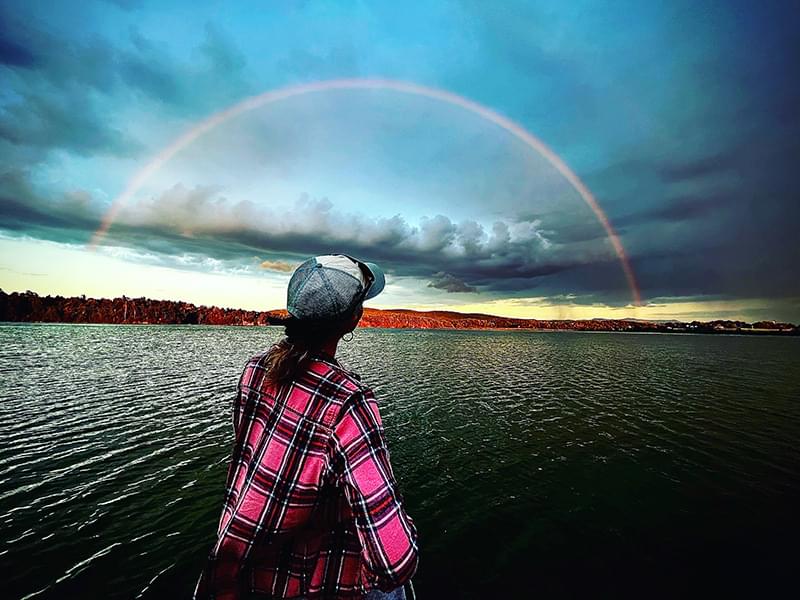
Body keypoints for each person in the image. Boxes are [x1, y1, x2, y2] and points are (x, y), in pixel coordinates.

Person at [194, 254, 418, 600]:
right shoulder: (349, 402)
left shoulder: (255, 371)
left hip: (242, 569)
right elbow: (394, 562)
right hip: (312, 581)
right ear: (352, 319)